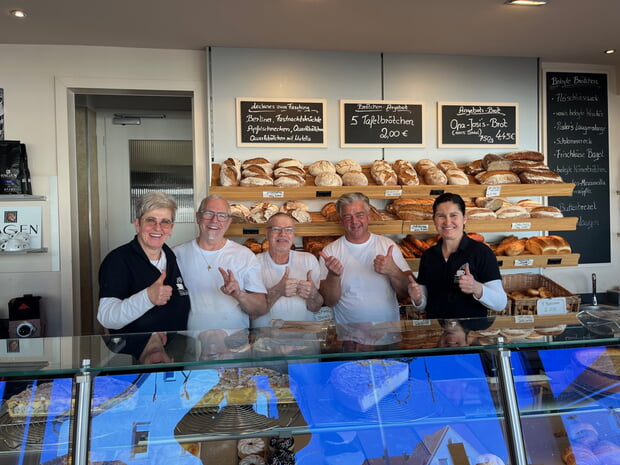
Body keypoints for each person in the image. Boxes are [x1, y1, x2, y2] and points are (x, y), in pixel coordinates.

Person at [97, 191, 190, 359]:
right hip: (129, 363)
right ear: (137, 224)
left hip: (170, 357)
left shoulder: (171, 257)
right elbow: (107, 318)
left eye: (165, 222)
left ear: (171, 228)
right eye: (150, 220)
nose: (157, 228)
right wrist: (147, 297)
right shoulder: (118, 260)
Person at [174, 194, 268, 332]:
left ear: (229, 222)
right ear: (198, 217)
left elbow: (260, 308)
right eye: (208, 213)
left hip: (234, 346)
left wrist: (239, 294)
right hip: (191, 345)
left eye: (222, 215)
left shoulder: (244, 255)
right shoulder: (176, 254)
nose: (214, 220)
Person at [408, 192, 507, 319]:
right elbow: (425, 304)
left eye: (454, 215)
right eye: (441, 216)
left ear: (464, 218)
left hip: (470, 334)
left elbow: (500, 303)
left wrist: (477, 288)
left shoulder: (482, 253)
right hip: (437, 334)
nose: (447, 222)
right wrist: (418, 299)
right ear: (434, 220)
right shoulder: (428, 256)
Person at [318, 192, 411, 325]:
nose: (354, 221)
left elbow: (406, 292)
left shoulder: (387, 245)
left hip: (386, 334)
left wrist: (393, 271)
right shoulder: (330, 252)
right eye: (348, 217)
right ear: (341, 220)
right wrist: (333, 276)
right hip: (349, 336)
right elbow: (329, 301)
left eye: (359, 215)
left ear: (369, 216)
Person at [252, 212, 323, 328]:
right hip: (266, 341)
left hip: (304, 340)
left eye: (289, 230)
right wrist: (277, 291)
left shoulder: (309, 260)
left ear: (294, 234)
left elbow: (315, 308)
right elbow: (252, 313)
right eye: (276, 229)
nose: (283, 234)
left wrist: (313, 294)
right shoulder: (253, 263)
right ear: (267, 233)